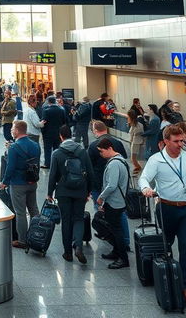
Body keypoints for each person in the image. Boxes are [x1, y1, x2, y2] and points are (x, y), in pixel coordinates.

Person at [139, 123, 186, 307]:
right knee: (167, 244)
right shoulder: (156, 160)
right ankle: (165, 276)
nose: (181, 144)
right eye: (177, 141)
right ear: (166, 141)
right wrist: (146, 188)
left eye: (182, 140)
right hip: (166, 208)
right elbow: (144, 177)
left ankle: (185, 287)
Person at [47, 125, 93, 264]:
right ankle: (78, 246)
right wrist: (88, 191)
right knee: (78, 218)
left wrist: (50, 192)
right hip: (80, 190)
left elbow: (52, 175)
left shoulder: (57, 153)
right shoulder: (82, 151)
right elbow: (90, 173)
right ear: (71, 135)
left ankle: (67, 253)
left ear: (61, 136)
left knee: (66, 220)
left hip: (63, 191)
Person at [0, 120, 40, 247]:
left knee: (20, 212)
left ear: (17, 131)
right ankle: (36, 235)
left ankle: (22, 240)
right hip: (32, 181)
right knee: (33, 209)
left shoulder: (14, 147)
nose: (11, 130)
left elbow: (10, 167)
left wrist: (4, 182)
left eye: (12, 128)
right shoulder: (35, 145)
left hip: (18, 183)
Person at [95, 137, 130, 270]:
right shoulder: (121, 160)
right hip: (119, 201)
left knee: (116, 230)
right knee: (115, 229)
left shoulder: (114, 163)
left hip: (114, 202)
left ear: (110, 148)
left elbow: (112, 185)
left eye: (101, 151)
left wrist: (101, 197)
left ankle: (123, 258)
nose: (100, 154)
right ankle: (116, 252)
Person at [40, 96, 67, 169]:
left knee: (47, 149)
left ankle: (47, 164)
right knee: (57, 148)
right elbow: (65, 121)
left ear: (48, 102)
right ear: (55, 101)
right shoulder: (62, 109)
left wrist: (43, 132)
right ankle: (57, 164)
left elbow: (43, 122)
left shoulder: (46, 110)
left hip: (48, 133)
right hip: (58, 132)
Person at [128, 109, 145, 175]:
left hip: (136, 143)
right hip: (134, 142)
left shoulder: (136, 125)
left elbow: (136, 134)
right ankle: (137, 167)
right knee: (134, 158)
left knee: (133, 158)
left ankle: (138, 167)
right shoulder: (137, 124)